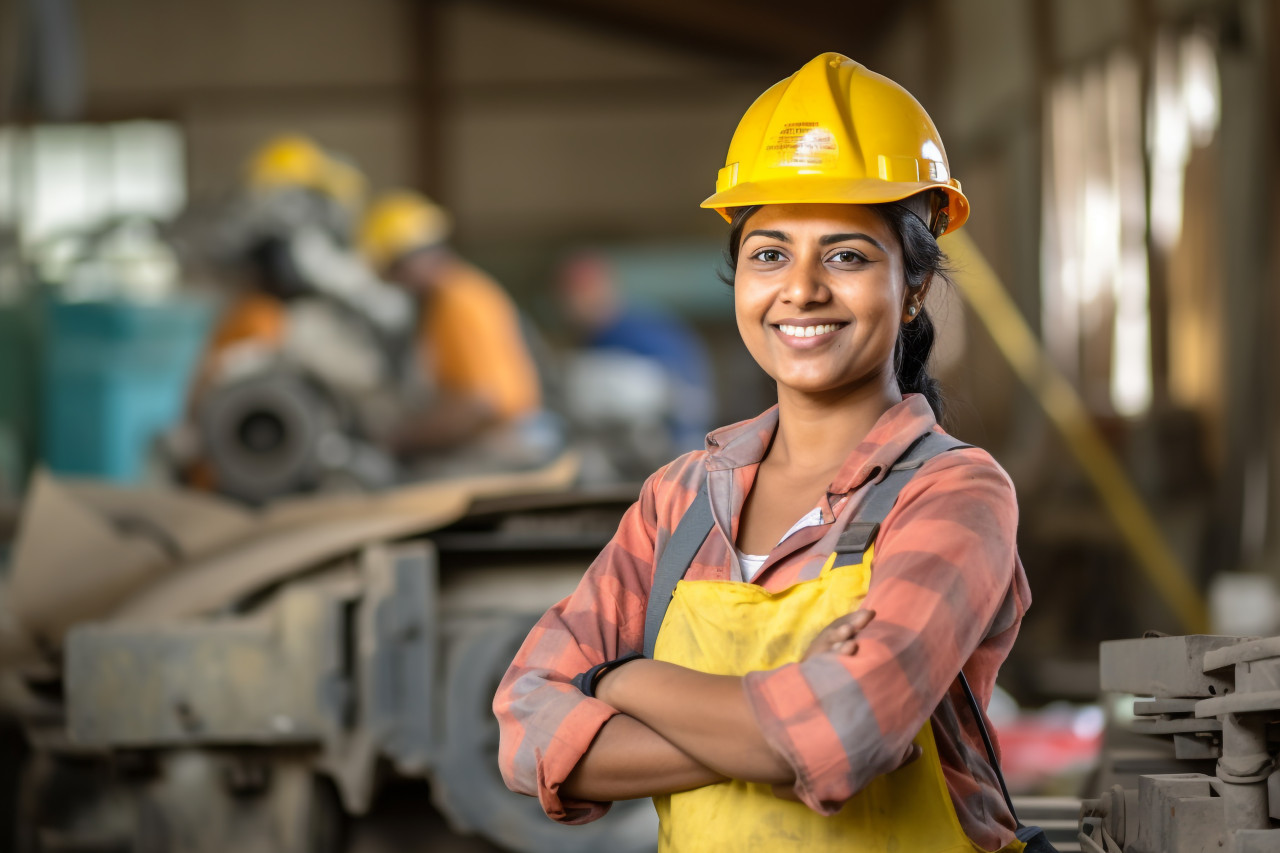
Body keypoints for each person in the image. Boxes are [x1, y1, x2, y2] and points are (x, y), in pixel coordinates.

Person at [494, 52, 1032, 851]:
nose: (802, 288)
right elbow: (527, 729)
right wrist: (772, 724)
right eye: (769, 254)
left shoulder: (955, 493)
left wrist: (620, 680)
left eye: (847, 255)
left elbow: (842, 737)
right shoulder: (679, 500)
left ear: (913, 286)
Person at [359, 190, 560, 473]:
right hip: (512, 433)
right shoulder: (459, 293)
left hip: (506, 441)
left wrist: (402, 439)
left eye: (392, 271)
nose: (393, 283)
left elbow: (478, 403)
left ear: (407, 260)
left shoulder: (456, 302)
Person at [556, 251, 714, 453]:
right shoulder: (591, 338)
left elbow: (688, 397)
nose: (574, 302)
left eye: (583, 290)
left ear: (605, 287)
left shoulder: (643, 328)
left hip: (670, 445)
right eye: (569, 294)